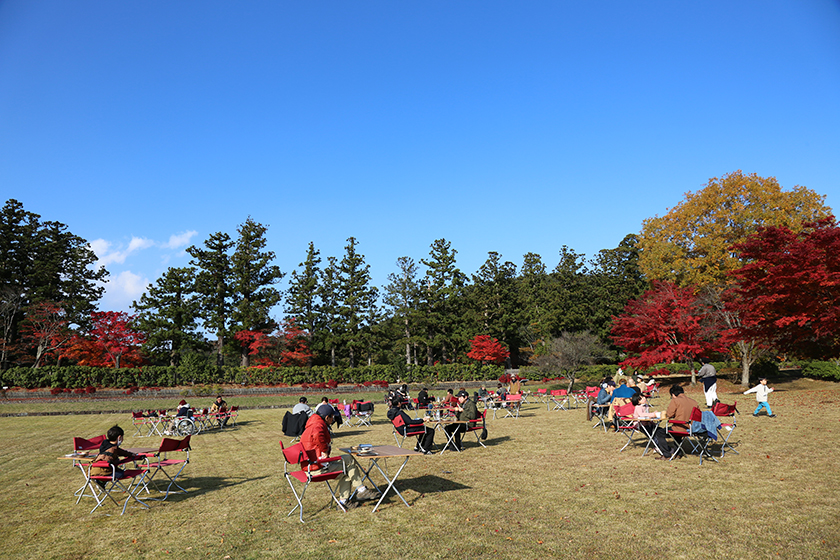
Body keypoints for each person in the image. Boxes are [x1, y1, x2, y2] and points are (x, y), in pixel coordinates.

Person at [299, 406, 379, 509]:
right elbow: (318, 435)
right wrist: (324, 450)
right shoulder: (318, 426)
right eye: (332, 417)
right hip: (316, 468)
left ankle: (345, 501)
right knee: (348, 469)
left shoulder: (312, 423)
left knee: (348, 460)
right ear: (327, 417)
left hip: (310, 465)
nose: (333, 419)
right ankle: (361, 491)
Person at [664, 385, 699, 458]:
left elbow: (669, 414)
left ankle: (666, 454)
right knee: (677, 433)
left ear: (673, 394)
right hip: (691, 428)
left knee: (659, 433)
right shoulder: (694, 402)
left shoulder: (675, 400)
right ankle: (678, 453)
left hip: (680, 427)